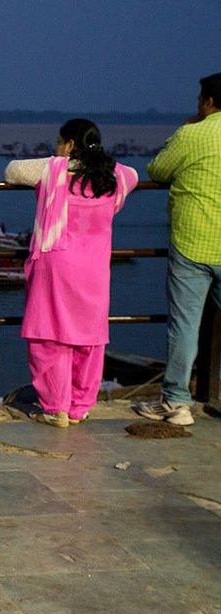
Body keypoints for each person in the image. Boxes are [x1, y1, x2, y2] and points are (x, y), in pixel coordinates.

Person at [5, 119, 138, 427]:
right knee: (89, 339)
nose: (55, 147)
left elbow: (11, 170)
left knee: (49, 337)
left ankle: (55, 407)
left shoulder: (56, 170)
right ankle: (80, 406)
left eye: (59, 142)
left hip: (57, 264)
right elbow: (133, 174)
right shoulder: (114, 176)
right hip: (94, 270)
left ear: (70, 145)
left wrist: (60, 162)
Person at [135, 72, 221, 426]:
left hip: (193, 242)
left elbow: (158, 168)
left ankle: (177, 403)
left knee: (184, 326)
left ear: (208, 103)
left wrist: (187, 127)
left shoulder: (192, 134)